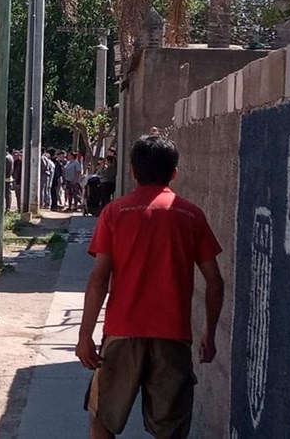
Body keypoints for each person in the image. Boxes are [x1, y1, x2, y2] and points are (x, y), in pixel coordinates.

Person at [76, 135, 224, 439]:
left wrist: (84, 335)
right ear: (174, 173)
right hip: (173, 335)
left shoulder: (115, 213)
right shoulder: (191, 215)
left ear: (132, 170)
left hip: (121, 332)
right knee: (170, 429)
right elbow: (214, 281)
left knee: (102, 420)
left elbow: (99, 279)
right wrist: (210, 331)